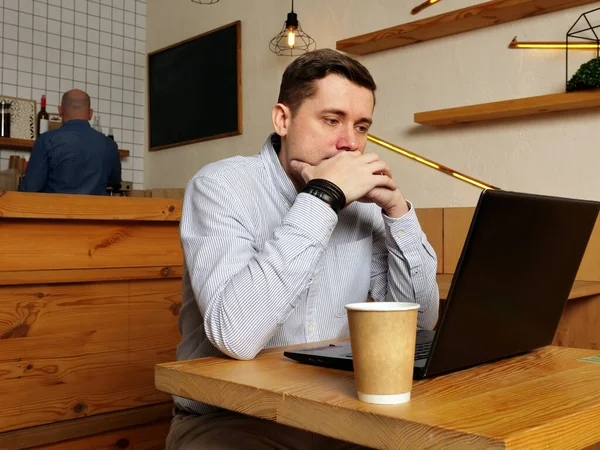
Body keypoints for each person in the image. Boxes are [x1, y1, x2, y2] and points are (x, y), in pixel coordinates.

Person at [168, 48, 440, 449]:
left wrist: (398, 212)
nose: (350, 144)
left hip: (335, 413)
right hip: (231, 419)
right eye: (332, 120)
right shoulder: (221, 187)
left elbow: (419, 327)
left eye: (362, 127)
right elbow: (236, 336)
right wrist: (323, 198)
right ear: (283, 119)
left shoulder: (365, 206)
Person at [18, 89, 121, 195]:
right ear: (90, 113)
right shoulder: (109, 145)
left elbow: (30, 187)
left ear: (60, 111)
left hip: (56, 209)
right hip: (96, 210)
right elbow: (115, 183)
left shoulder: (47, 140)